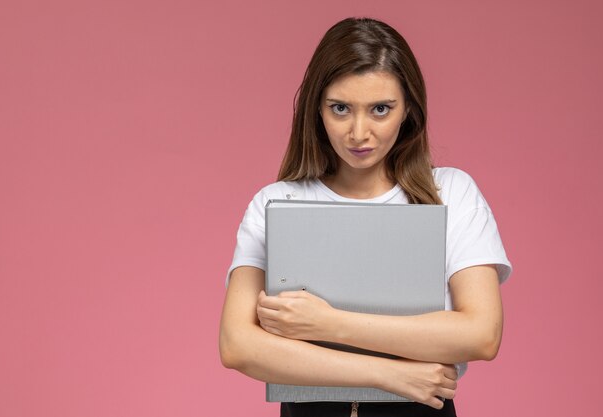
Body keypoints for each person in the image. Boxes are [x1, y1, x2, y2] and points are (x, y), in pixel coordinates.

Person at [219, 17, 511, 417]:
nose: (359, 133)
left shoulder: (450, 194)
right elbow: (238, 345)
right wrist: (389, 375)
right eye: (340, 108)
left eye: (380, 109)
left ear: (408, 108)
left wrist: (325, 324)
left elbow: (481, 335)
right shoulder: (277, 201)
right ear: (317, 109)